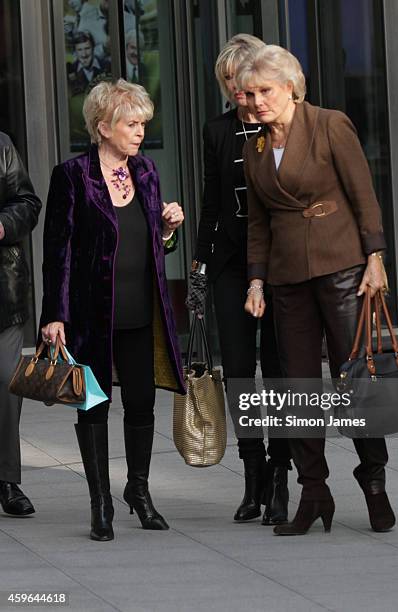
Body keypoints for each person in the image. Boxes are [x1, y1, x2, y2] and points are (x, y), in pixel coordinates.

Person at [236, 45, 396, 535]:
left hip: (342, 266)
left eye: (266, 90)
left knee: (354, 379)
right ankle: (313, 490)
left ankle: (373, 482)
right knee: (296, 387)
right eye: (250, 93)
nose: (257, 101)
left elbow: (362, 193)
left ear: (291, 87)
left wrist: (375, 257)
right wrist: (256, 280)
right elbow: (258, 223)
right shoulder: (255, 147)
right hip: (286, 278)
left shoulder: (330, 124)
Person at [39, 79, 186, 542]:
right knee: (94, 406)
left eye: (143, 123)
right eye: (130, 123)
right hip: (90, 314)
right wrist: (53, 315)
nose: (139, 131)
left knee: (142, 403)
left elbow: (153, 246)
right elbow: (57, 252)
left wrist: (166, 231)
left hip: (142, 309)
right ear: (103, 127)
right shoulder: (72, 175)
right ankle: (100, 501)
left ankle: (138, 492)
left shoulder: (146, 172)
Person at [187, 35, 292, 526]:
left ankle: (280, 475)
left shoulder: (282, 126)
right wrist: (200, 263)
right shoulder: (216, 131)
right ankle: (252, 478)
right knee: (238, 375)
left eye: (242, 80)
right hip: (231, 264)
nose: (237, 91)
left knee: (279, 371)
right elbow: (211, 202)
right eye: (227, 82)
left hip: (280, 263)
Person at [0, 132, 41, 516]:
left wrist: (1, 225)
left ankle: (7, 479)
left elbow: (27, 202)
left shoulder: (1, 145)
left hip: (3, 292)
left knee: (6, 381)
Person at [67, 31, 111, 96]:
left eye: (87, 48)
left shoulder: (107, 66)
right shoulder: (70, 70)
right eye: (79, 50)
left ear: (93, 48)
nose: (84, 54)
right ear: (75, 52)